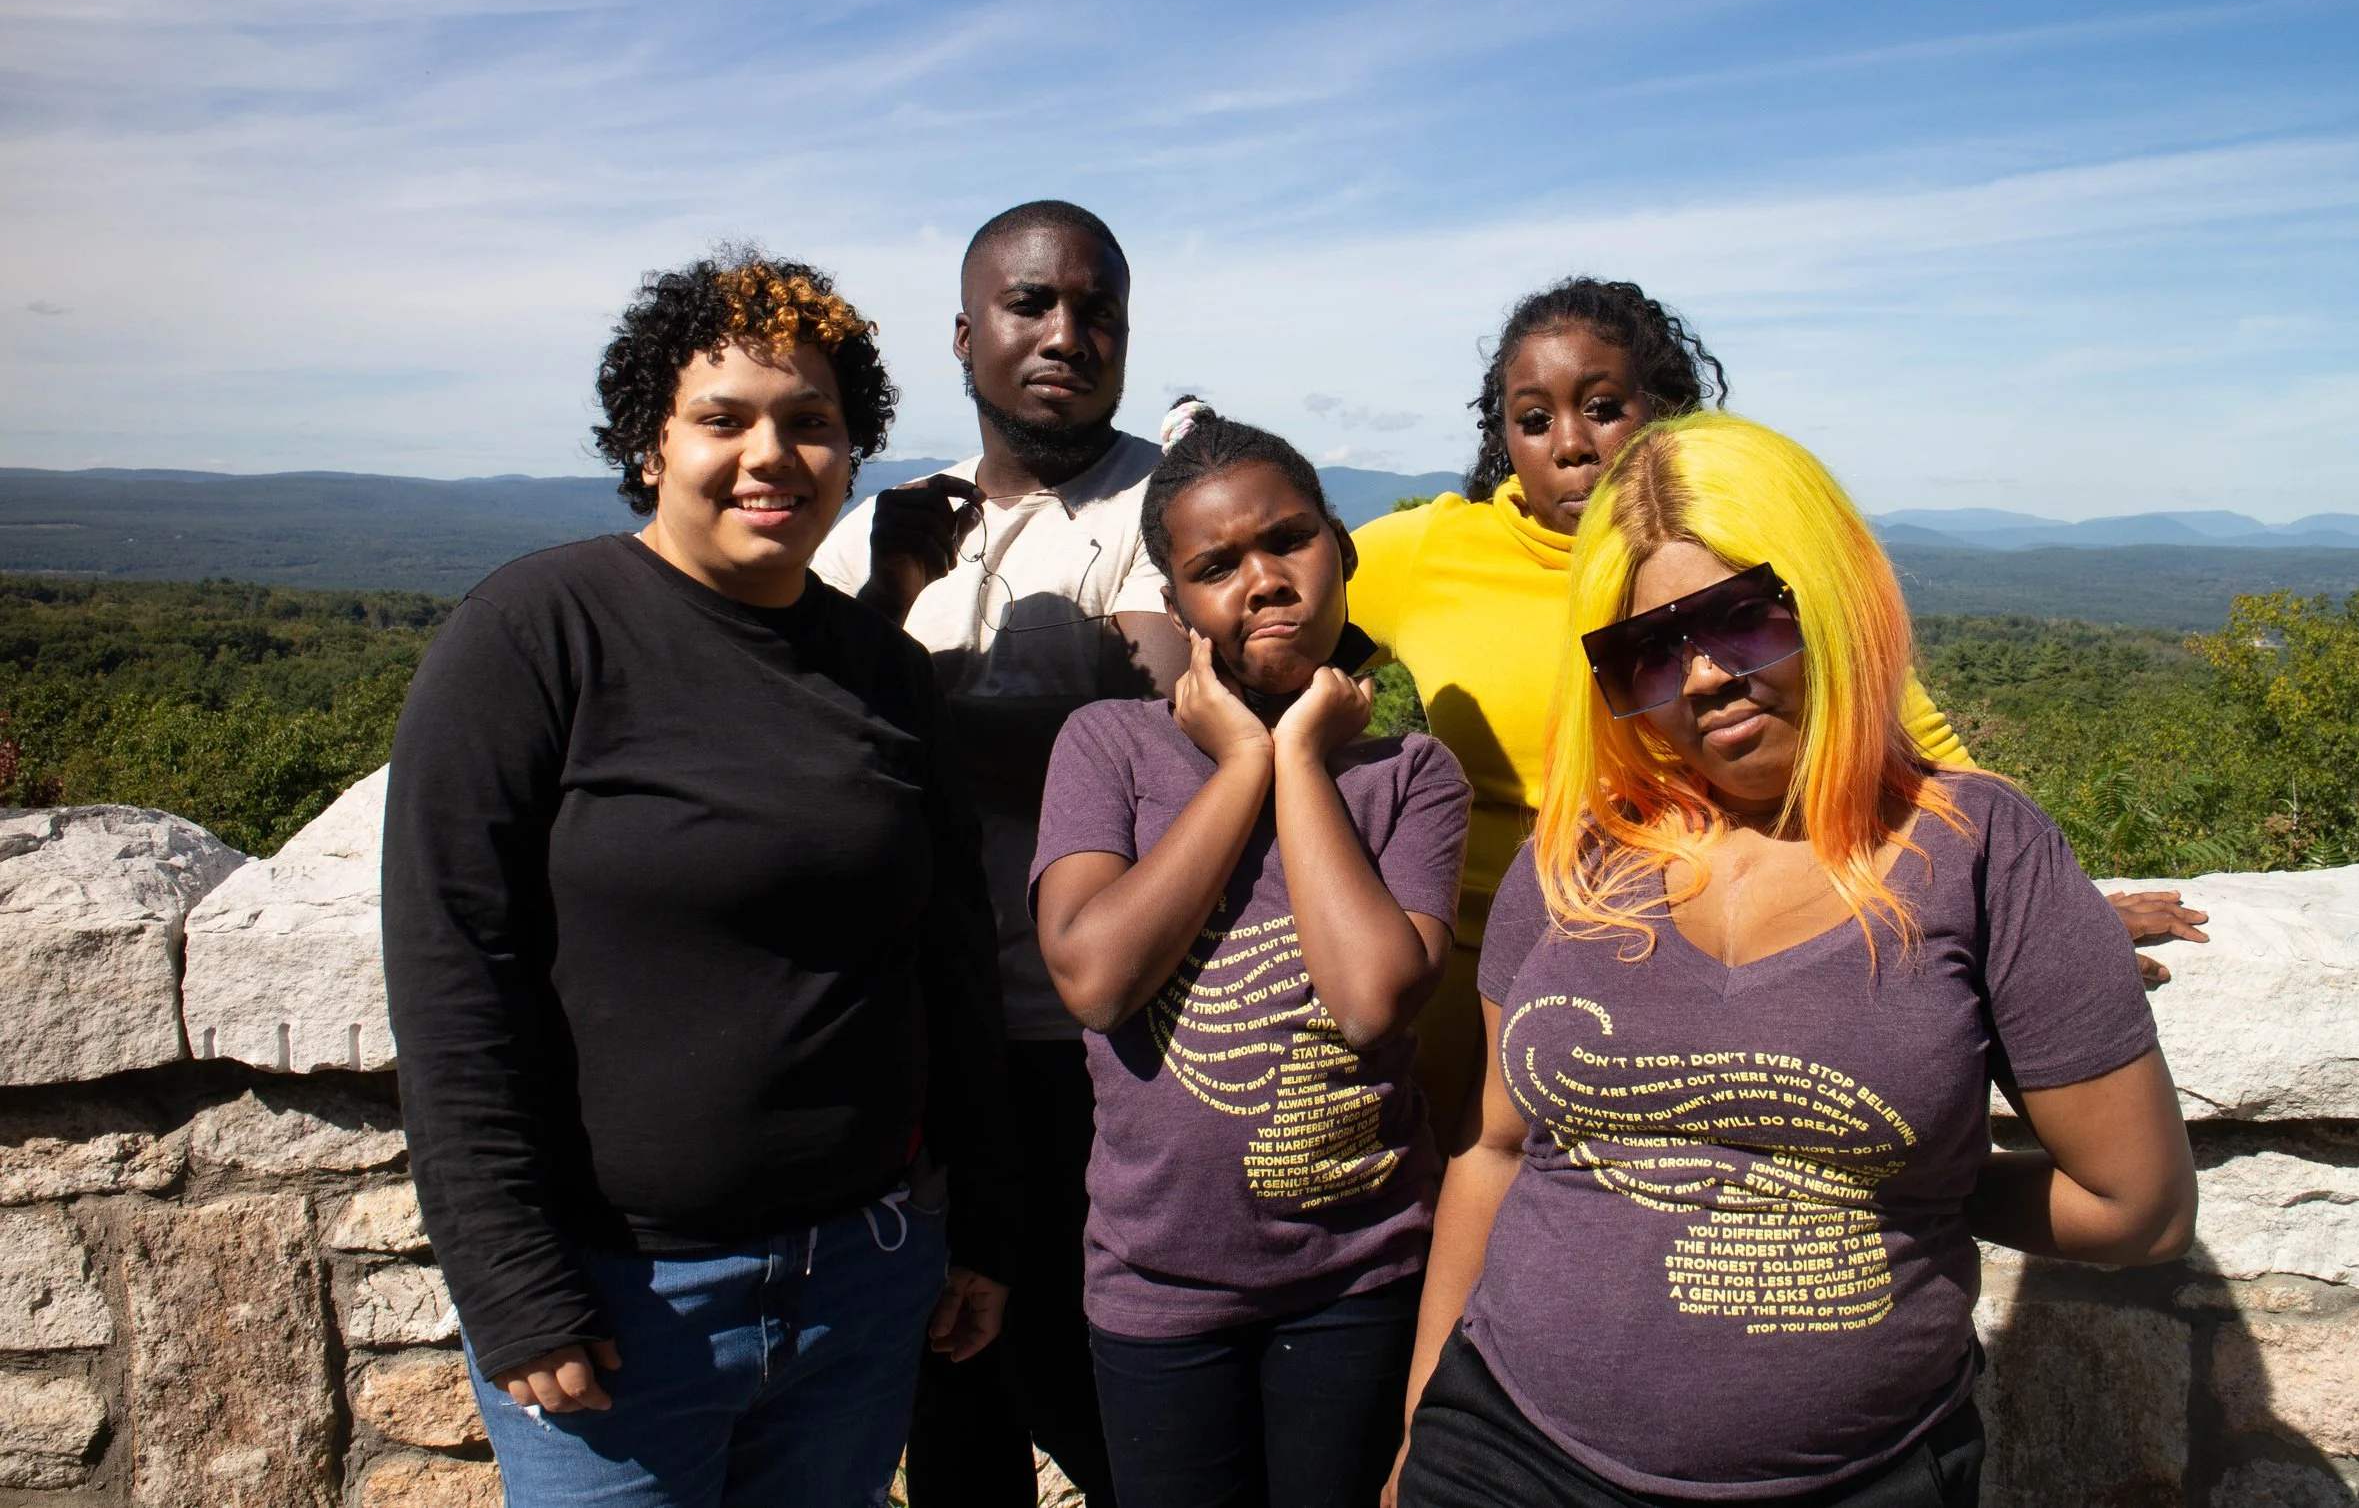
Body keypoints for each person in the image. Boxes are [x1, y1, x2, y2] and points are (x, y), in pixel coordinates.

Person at [1390, 412, 2197, 1508]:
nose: (1707, 675)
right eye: (1650, 652)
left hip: (1852, 1477)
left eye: (1742, 617)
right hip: (1501, 1450)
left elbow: (2137, 1205)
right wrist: (1418, 1425)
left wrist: (1909, 1182)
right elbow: (1492, 1148)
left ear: (1831, 594)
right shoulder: (1575, 854)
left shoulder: (1978, 850)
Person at [382, 251, 1011, 1505]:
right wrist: (513, 1284)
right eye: (722, 418)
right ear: (651, 441)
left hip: (864, 1278)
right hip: (618, 1305)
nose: (770, 454)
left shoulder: (878, 672)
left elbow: (948, 960)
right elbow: (456, 979)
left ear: (854, 449)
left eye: (812, 422)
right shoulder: (535, 635)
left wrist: (976, 1227)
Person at [1347, 278, 2205, 1147]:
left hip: (1679, 947)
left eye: (1602, 407)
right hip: (1470, 961)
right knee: (1435, 1207)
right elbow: (1258, 625)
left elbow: (1924, 752)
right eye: (1533, 420)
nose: (1569, 445)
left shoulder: (1745, 559)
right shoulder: (1429, 556)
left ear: (1663, 413)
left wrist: (2044, 919)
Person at [1031, 404, 1474, 1508]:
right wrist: (1242, 761)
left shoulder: (1410, 777)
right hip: (1155, 1286)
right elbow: (1093, 976)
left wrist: (1301, 763)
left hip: (1357, 1276)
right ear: (1176, 601)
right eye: (1215, 564)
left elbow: (1373, 1000)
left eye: (1288, 540)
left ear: (1342, 549)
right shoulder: (1107, 746)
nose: (1262, 578)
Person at [815, 200, 1187, 1506]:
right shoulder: (875, 531)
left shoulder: (1173, 505)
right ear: (966, 334)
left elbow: (1120, 736)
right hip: (907, 1041)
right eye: (1033, 304)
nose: (1067, 334)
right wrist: (884, 630)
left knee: (1100, 1396)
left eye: (1099, 311)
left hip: (1085, 1043)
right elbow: (798, 749)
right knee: (950, 1405)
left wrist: (878, 680)